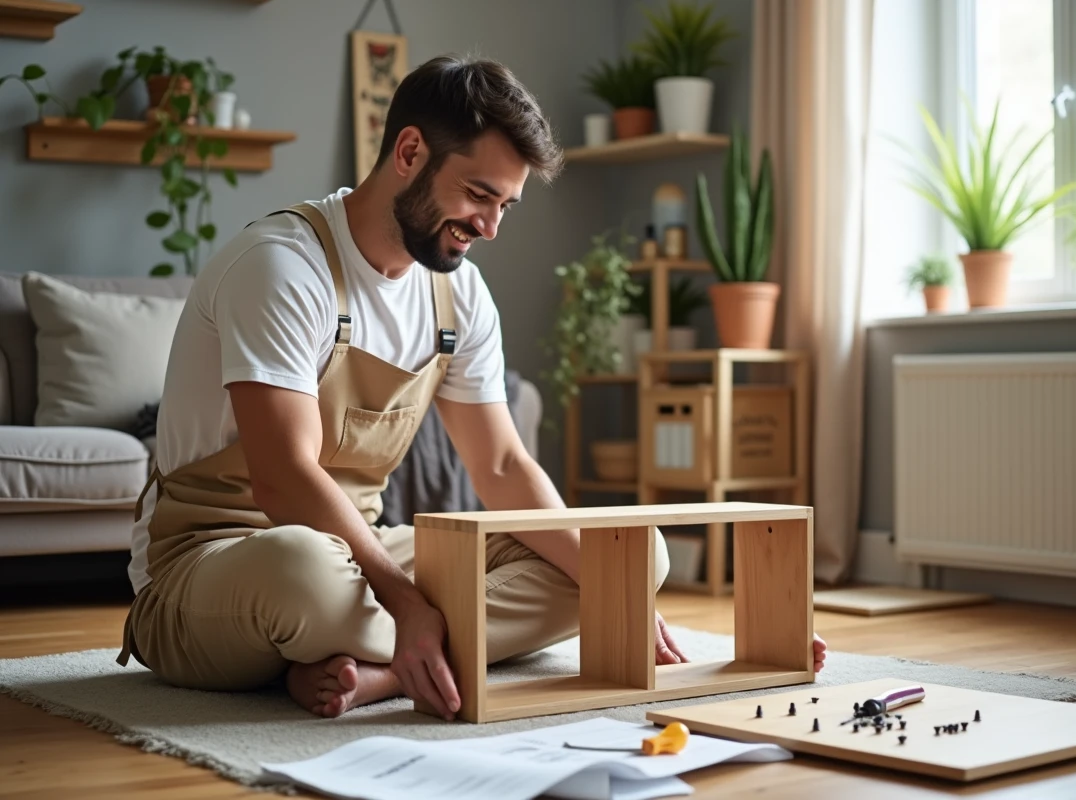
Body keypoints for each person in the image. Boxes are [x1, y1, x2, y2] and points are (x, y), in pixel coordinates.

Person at [116, 54, 827, 720]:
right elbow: (283, 479)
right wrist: (405, 602)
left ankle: (385, 672)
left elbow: (501, 466)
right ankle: (393, 643)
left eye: (505, 206)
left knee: (633, 558)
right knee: (305, 572)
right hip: (214, 561)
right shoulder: (283, 267)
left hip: (357, 549)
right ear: (409, 154)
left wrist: (617, 599)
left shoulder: (458, 297)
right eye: (478, 195)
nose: (488, 226)